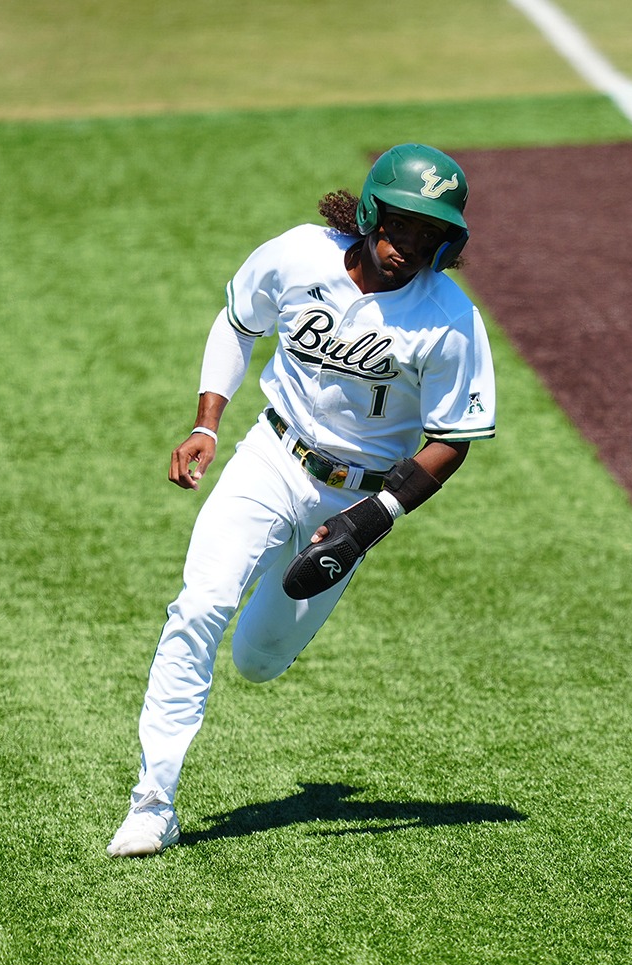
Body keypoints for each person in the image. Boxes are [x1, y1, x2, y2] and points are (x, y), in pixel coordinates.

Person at [107, 144, 496, 858]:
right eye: (398, 223)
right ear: (371, 211)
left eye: (427, 233)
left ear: (448, 241)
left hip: (353, 500)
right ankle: (153, 801)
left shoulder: (450, 319)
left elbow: (452, 439)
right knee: (199, 605)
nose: (406, 244)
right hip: (270, 457)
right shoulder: (298, 257)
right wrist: (206, 422)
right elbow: (237, 322)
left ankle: (289, 608)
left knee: (256, 660)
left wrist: (367, 522)